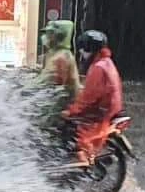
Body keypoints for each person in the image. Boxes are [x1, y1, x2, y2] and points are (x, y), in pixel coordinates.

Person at [63, 29, 123, 161]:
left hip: (100, 111)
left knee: (65, 124)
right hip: (110, 107)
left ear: (90, 48)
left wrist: (71, 111)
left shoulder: (98, 68)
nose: (81, 52)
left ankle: (80, 161)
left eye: (83, 48)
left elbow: (88, 98)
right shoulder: (106, 62)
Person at [39, 19, 80, 108]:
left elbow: (51, 83)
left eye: (49, 33)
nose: (45, 37)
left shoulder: (61, 57)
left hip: (60, 108)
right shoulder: (55, 54)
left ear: (58, 36)